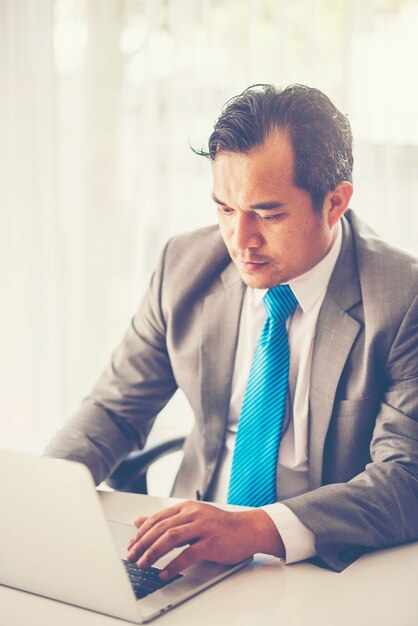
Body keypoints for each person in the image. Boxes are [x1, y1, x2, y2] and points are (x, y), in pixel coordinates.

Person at [45, 84, 418, 581]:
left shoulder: (401, 298)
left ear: (335, 202)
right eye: (224, 209)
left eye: (267, 213)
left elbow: (405, 478)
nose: (241, 240)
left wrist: (254, 528)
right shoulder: (184, 266)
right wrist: (44, 495)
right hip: (184, 554)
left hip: (323, 565)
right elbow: (114, 409)